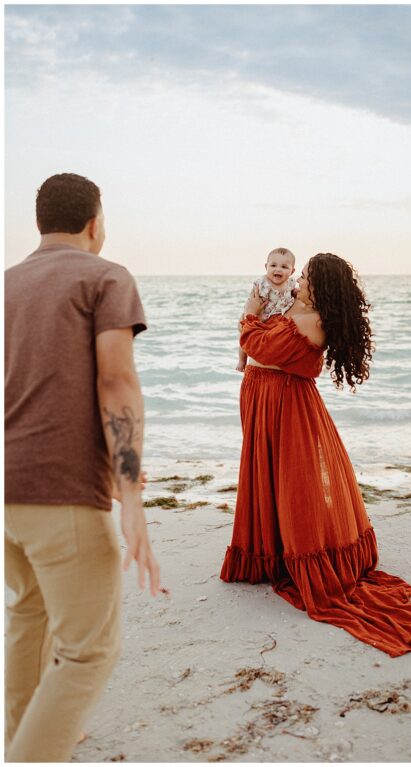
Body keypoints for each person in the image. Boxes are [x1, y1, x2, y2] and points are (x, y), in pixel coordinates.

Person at [5, 172, 161, 761]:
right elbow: (116, 380)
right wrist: (133, 497)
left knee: (30, 619)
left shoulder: (8, 283)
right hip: (61, 494)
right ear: (95, 223)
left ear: (41, 223)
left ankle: (27, 741)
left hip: (9, 491)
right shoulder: (105, 275)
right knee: (89, 652)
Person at [220, 252, 411, 656]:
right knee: (274, 474)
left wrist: (249, 315)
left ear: (319, 286)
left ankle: (292, 553)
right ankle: (276, 550)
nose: (298, 281)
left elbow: (257, 346)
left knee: (291, 479)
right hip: (268, 397)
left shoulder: (308, 319)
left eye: (304, 277)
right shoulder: (303, 312)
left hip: (281, 403)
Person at [235, 247, 298, 371]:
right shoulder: (263, 284)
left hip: (277, 317)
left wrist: (296, 293)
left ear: (292, 271)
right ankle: (242, 361)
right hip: (260, 314)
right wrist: (252, 315)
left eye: (284, 267)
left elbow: (293, 293)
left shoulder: (290, 283)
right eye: (273, 265)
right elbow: (254, 301)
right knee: (245, 335)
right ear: (266, 267)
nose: (278, 269)